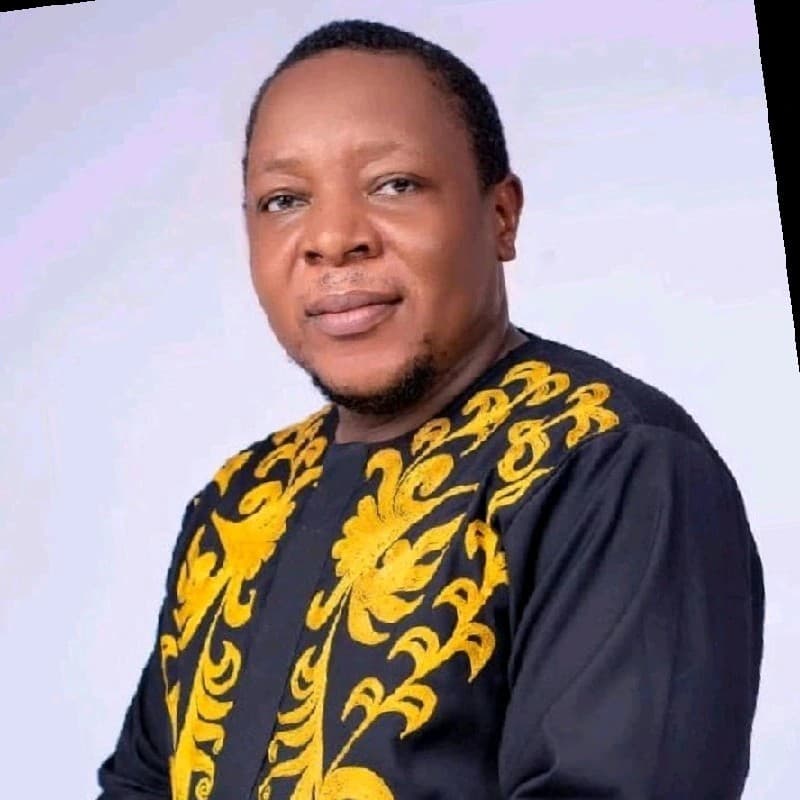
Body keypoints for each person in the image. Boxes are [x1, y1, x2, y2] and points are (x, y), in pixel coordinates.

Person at [97, 19, 764, 800]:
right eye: (284, 199)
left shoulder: (610, 464)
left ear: (501, 216)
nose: (333, 239)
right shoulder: (240, 501)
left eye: (394, 185)